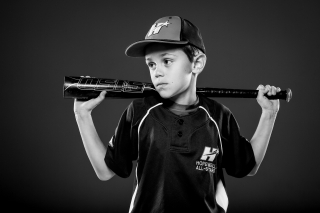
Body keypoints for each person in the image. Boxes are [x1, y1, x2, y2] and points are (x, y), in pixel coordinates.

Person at [73, 16, 280, 213]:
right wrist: (82, 115)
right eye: (151, 64)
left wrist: (269, 114)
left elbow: (247, 166)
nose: (157, 72)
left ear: (197, 63)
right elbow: (105, 171)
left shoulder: (218, 116)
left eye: (167, 61)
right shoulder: (140, 111)